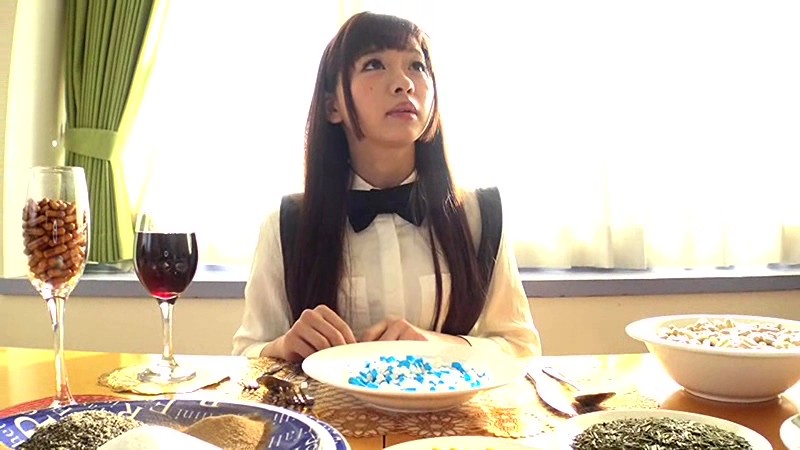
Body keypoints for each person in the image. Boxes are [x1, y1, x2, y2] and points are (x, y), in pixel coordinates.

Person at [232, 11, 541, 362]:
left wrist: (438, 345)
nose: (404, 83)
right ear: (333, 105)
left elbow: (522, 349)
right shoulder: (287, 224)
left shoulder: (478, 215)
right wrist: (282, 347)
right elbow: (245, 355)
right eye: (374, 64)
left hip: (454, 401)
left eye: (417, 66)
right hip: (325, 401)